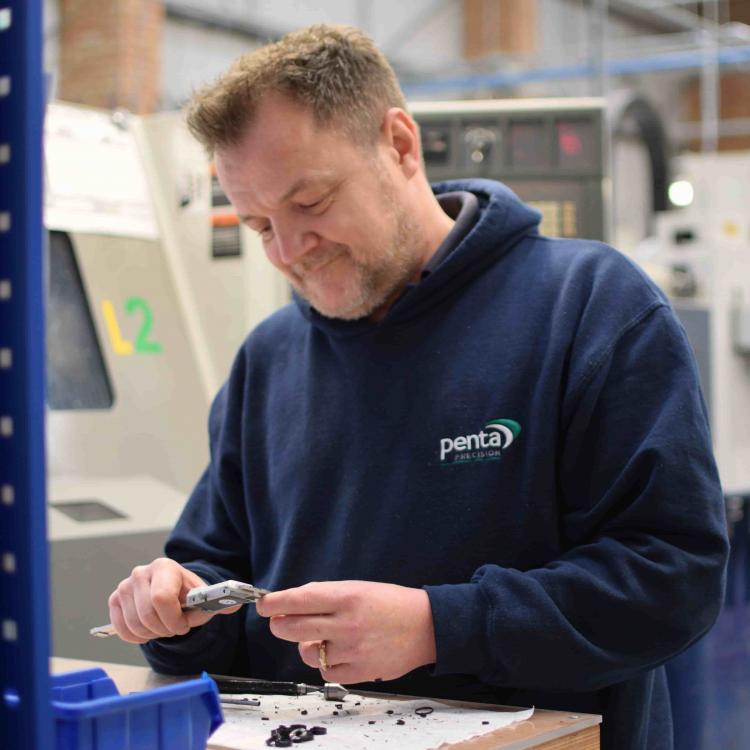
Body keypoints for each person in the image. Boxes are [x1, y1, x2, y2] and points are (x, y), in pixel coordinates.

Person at [106, 24, 728, 750]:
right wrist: (173, 612)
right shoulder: (270, 361)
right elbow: (217, 584)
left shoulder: (589, 308)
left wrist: (441, 626)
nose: (287, 251)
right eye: (258, 224)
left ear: (399, 144)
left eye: (310, 203)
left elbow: (672, 579)